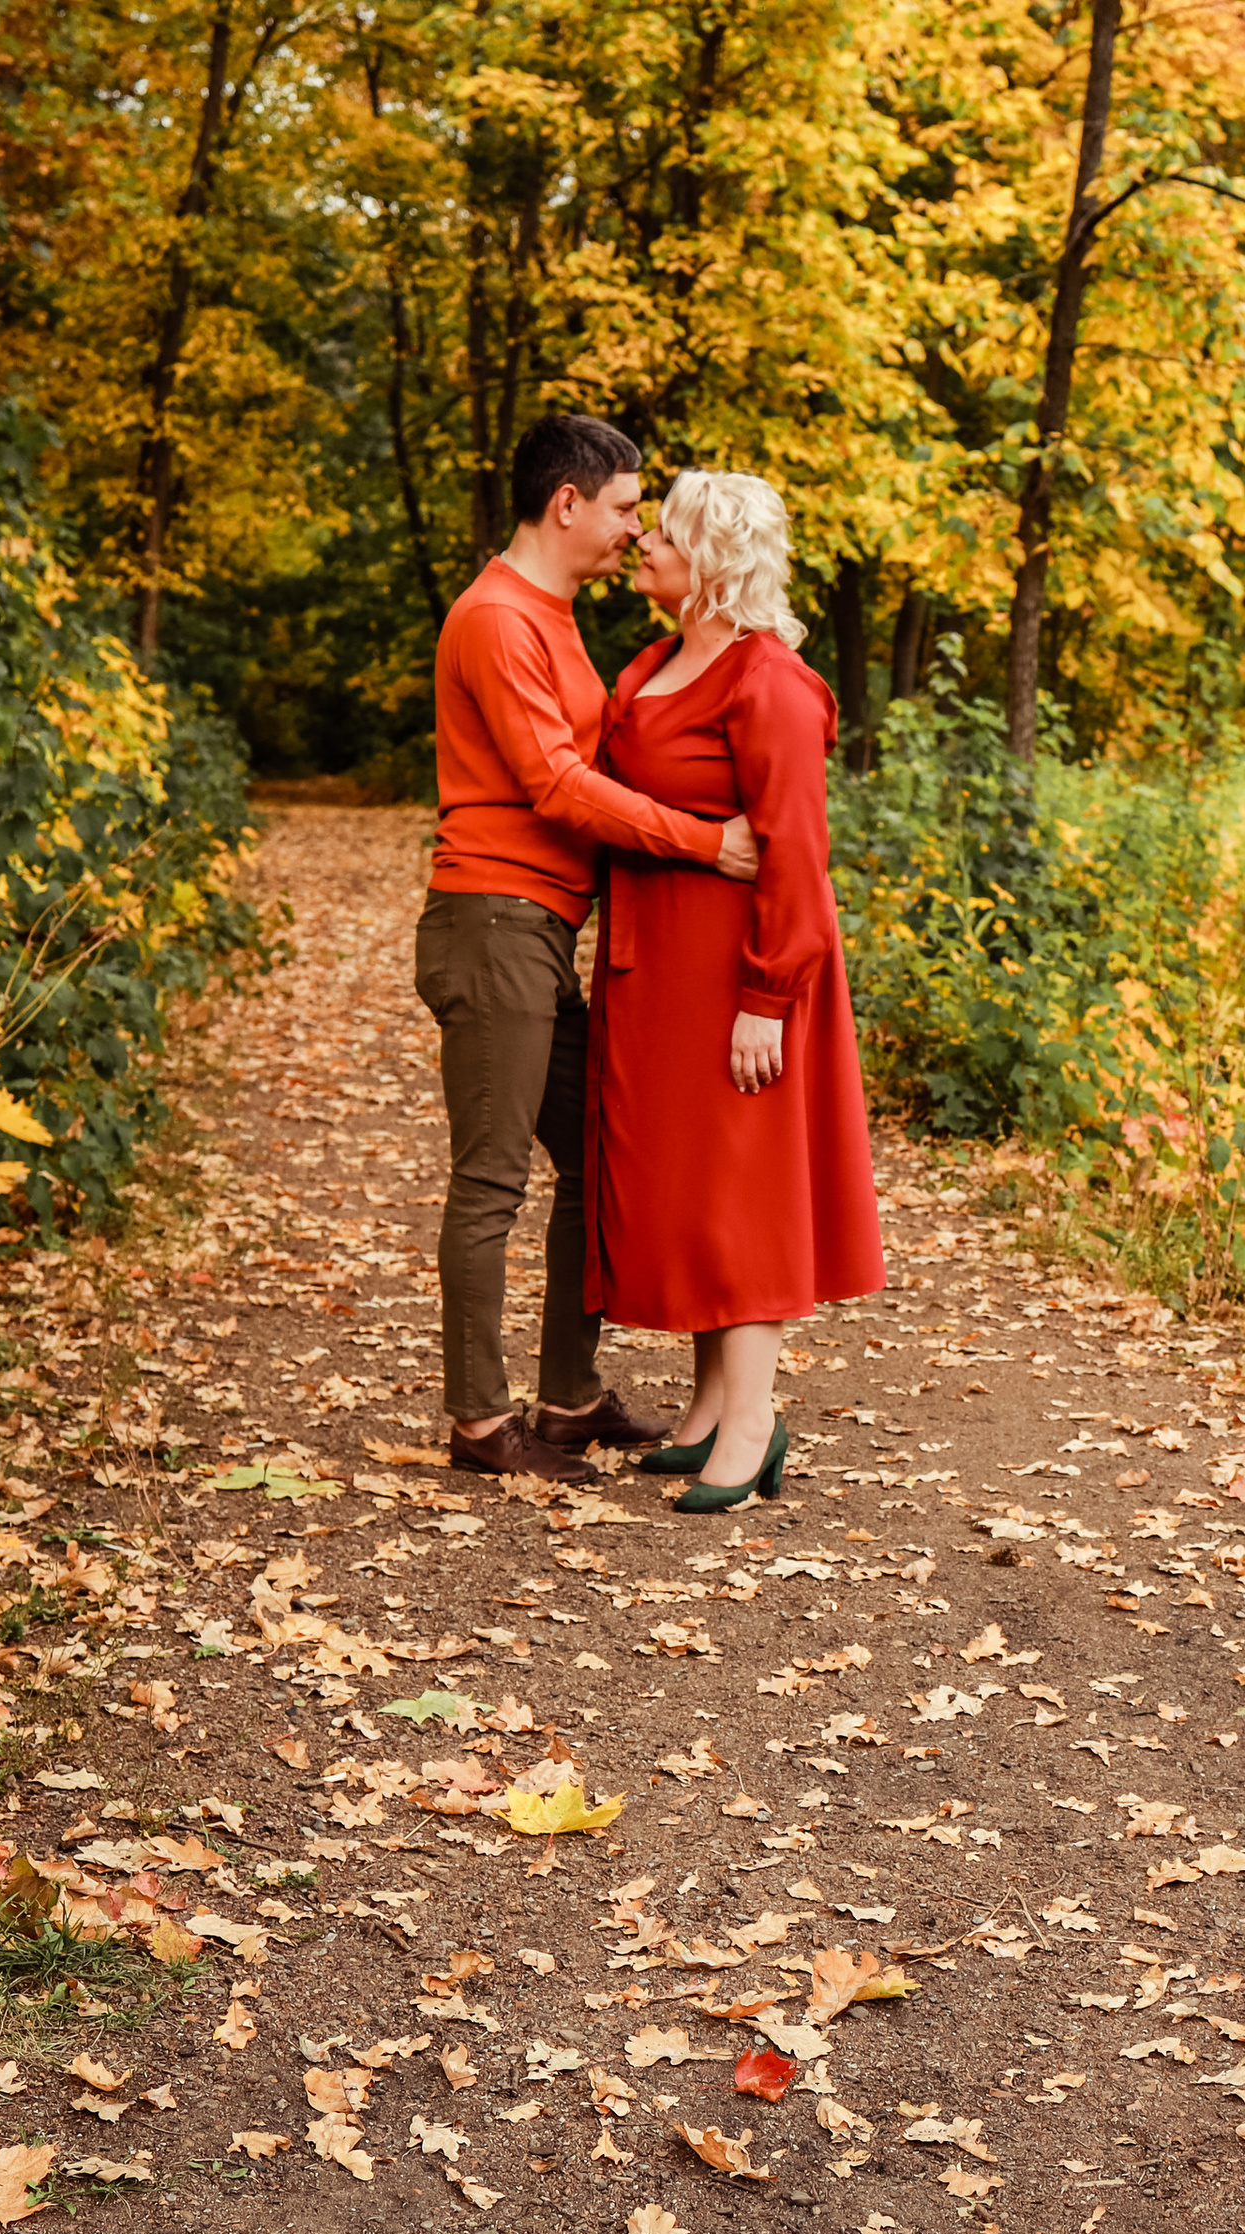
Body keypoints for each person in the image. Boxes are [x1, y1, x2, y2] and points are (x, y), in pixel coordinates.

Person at [419, 412, 764, 1483]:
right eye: (622, 509)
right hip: (492, 920)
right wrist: (709, 843)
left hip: (540, 930)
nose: (631, 530)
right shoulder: (495, 620)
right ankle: (481, 1424)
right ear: (565, 503)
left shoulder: (554, 616)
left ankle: (568, 1395)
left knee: (597, 1159)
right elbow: (556, 786)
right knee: (490, 1183)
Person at [584, 468, 885, 1512]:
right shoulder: (659, 659)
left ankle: (754, 1423)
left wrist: (767, 995)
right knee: (693, 1189)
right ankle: (711, 1405)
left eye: (664, 533)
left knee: (741, 1192)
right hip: (660, 967)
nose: (644, 547)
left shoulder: (769, 682)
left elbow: (797, 854)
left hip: (738, 972)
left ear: (710, 559)